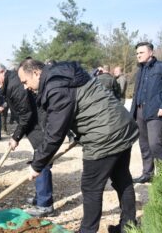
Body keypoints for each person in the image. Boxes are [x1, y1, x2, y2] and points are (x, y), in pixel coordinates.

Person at [18, 59, 138, 233]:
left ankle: (87, 231)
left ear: (36, 73)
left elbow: (55, 133)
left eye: (25, 81)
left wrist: (37, 164)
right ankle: (129, 227)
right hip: (121, 125)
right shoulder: (63, 74)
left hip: (104, 136)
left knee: (91, 186)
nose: (25, 87)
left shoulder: (55, 86)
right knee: (122, 179)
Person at [0, 60, 53, 217]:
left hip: (39, 125)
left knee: (42, 162)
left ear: (2, 72)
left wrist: (16, 136)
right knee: (39, 159)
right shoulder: (9, 82)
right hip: (34, 125)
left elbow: (26, 114)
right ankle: (40, 198)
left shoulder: (15, 85)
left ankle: (45, 204)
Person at [130, 42, 162, 184]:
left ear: (150, 52)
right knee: (144, 144)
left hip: (156, 111)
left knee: (155, 144)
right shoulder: (140, 70)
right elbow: (136, 92)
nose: (138, 55)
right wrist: (132, 112)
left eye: (141, 53)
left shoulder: (161, 67)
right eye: (137, 53)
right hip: (139, 111)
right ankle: (147, 173)